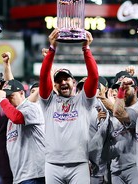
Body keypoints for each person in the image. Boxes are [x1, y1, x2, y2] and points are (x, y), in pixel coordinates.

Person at [39, 28, 99, 184]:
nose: (63, 82)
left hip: (79, 163)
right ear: (55, 84)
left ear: (74, 82)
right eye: (59, 80)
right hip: (52, 163)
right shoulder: (48, 101)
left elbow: (94, 76)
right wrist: (52, 49)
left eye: (67, 79)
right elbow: (44, 76)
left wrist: (86, 49)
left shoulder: (84, 101)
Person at [0, 79, 45, 184]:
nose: (8, 100)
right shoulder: (11, 115)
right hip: (20, 176)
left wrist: (2, 99)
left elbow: (17, 117)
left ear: (22, 93)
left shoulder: (32, 108)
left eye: (11, 96)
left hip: (35, 175)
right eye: (7, 97)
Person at [113, 71, 138, 184]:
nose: (122, 91)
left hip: (135, 165)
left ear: (136, 90)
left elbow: (118, 113)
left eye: (126, 88)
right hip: (117, 166)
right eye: (119, 88)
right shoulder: (116, 102)